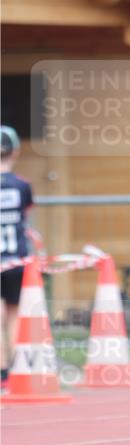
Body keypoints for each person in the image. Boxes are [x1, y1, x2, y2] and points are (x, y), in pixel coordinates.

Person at [1, 125, 33, 389]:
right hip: (17, 258)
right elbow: (26, 214)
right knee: (13, 315)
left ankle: (1, 369)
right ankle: (15, 367)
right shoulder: (23, 186)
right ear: (16, 152)